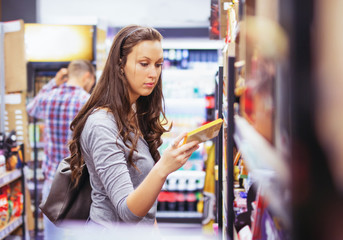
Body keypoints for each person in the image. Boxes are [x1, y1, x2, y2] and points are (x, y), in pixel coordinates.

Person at [68, 25, 199, 229]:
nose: (153, 73)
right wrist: (164, 167)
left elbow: (144, 202)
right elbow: (127, 211)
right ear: (121, 65)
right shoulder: (102, 124)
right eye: (144, 64)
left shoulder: (132, 113)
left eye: (158, 65)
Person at [26, 60, 96, 239]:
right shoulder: (88, 102)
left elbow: (31, 109)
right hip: (80, 185)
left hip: (52, 183)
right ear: (86, 76)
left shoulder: (49, 97)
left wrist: (53, 83)